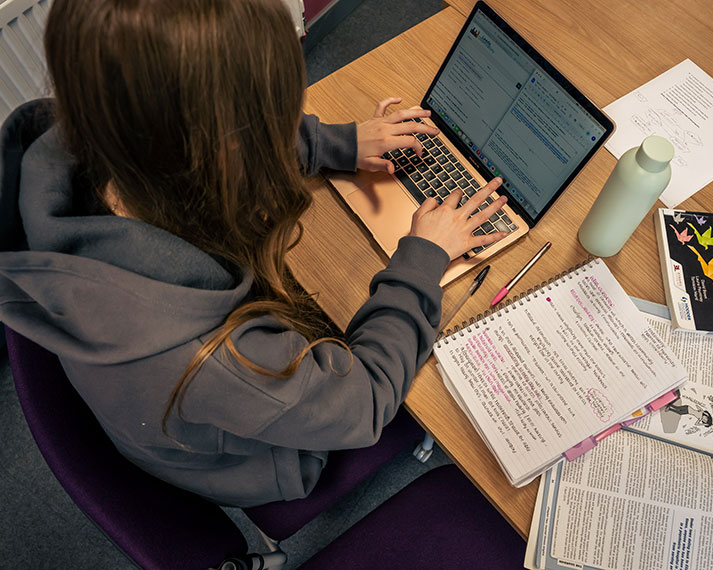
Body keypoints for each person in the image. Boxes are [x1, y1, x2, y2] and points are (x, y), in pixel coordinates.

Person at [0, 0, 507, 507]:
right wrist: (423, 258)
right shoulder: (219, 361)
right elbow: (365, 401)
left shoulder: (82, 146)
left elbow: (189, 130)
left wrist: (337, 142)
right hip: (268, 457)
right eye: (272, 120)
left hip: (176, 402)